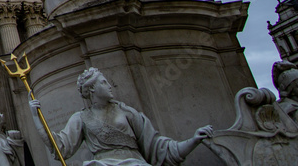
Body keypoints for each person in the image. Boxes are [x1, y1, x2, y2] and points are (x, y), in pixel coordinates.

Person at [30, 67, 213, 165]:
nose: (110, 85)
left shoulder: (127, 112)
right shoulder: (81, 118)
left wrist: (194, 141)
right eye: (104, 82)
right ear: (92, 89)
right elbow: (60, 147)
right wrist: (37, 118)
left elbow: (160, 148)